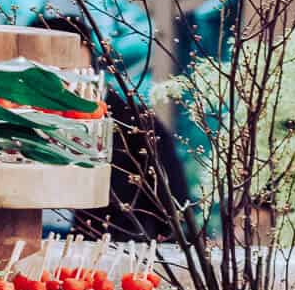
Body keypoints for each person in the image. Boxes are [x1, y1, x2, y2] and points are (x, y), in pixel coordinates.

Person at [28, 14, 189, 242]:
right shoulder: (20, 116)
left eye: (64, 66)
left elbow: (174, 205)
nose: (56, 77)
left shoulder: (133, 123)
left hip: (112, 247)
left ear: (87, 57)